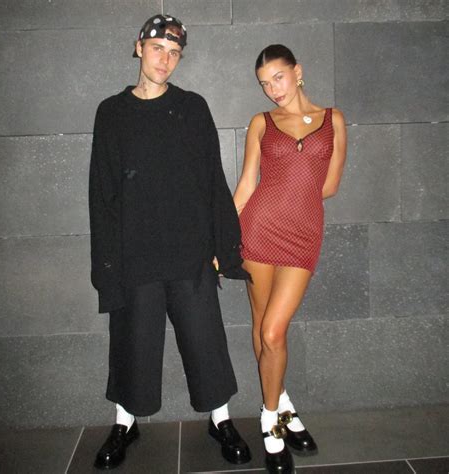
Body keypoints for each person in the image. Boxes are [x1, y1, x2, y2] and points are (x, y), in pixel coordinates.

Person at [89, 14, 251, 470]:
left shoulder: (193, 108)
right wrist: (107, 264)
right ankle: (125, 423)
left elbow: (213, 179)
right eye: (158, 48)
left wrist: (224, 246)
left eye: (174, 53)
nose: (165, 60)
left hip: (190, 251)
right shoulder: (111, 112)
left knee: (205, 341)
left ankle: (220, 419)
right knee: (132, 343)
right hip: (135, 254)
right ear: (139, 47)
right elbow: (102, 192)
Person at [234, 44, 347, 473]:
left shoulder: (334, 120)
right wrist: (221, 240)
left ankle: (270, 420)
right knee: (263, 328)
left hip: (301, 237)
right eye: (264, 84)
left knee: (274, 330)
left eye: (278, 78)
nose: (272, 90)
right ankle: (281, 410)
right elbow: (247, 185)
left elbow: (330, 185)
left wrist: (295, 197)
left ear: (298, 72)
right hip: (258, 230)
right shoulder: (261, 123)